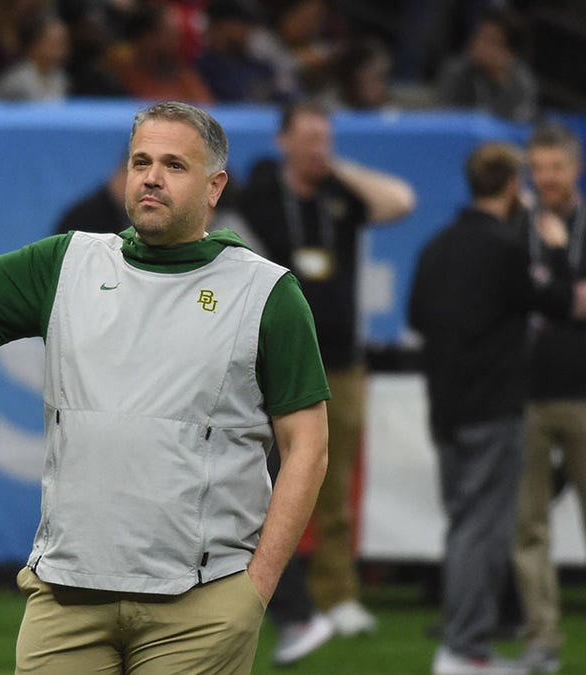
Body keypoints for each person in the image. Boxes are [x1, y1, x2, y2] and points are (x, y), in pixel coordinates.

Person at [0, 72, 329, 673]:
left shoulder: (266, 292)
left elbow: (307, 448)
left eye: (174, 165)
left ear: (215, 187)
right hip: (66, 595)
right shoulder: (68, 261)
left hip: (202, 602)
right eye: (140, 161)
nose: (152, 176)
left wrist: (255, 588)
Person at [238, 98, 416, 639]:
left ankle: (337, 595)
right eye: (309, 138)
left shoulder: (342, 194)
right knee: (261, 485)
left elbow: (401, 201)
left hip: (339, 363)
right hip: (271, 364)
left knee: (333, 489)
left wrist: (338, 168)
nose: (319, 148)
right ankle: (264, 593)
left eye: (326, 138)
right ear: (283, 140)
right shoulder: (261, 196)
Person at [409, 141, 581, 675]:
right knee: (483, 532)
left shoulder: (438, 245)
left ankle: (465, 648)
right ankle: (465, 650)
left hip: (446, 408)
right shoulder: (508, 248)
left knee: (467, 526)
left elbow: (417, 316)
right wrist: (552, 250)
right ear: (512, 186)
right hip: (496, 409)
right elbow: (555, 301)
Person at [512, 122, 586, 675]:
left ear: (575, 168)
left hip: (584, 396)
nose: (547, 179)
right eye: (538, 170)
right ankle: (542, 636)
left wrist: (554, 282)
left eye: (555, 168)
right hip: (527, 396)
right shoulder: (518, 230)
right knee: (528, 524)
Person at [435, 8, 537, 123]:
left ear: (510, 54)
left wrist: (502, 83)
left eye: (490, 41)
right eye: (479, 36)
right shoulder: (456, 70)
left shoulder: (522, 80)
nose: (478, 44)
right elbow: (445, 118)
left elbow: (522, 121)